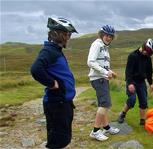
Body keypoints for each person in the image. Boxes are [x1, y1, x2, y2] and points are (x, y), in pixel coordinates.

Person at [31, 17, 78, 148]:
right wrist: (52, 83)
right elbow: (35, 69)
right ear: (56, 34)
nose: (68, 37)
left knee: (62, 138)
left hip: (63, 102)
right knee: (57, 140)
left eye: (69, 34)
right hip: (57, 103)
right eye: (67, 34)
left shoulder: (55, 50)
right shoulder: (49, 51)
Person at [87, 25, 120, 141]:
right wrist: (105, 72)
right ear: (102, 34)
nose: (108, 38)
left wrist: (110, 72)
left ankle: (106, 127)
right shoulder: (97, 44)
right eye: (106, 35)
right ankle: (95, 131)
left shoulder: (104, 47)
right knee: (105, 104)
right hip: (98, 79)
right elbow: (90, 62)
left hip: (102, 78)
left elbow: (101, 64)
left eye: (110, 36)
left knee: (103, 104)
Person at [117, 38, 153, 125]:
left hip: (141, 82)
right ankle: (122, 114)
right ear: (143, 46)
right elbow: (128, 71)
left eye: (149, 53)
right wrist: (130, 83)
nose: (146, 53)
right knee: (132, 100)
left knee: (144, 102)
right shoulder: (133, 56)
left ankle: (142, 121)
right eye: (146, 51)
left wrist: (151, 83)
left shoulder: (148, 58)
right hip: (132, 81)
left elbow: (149, 72)